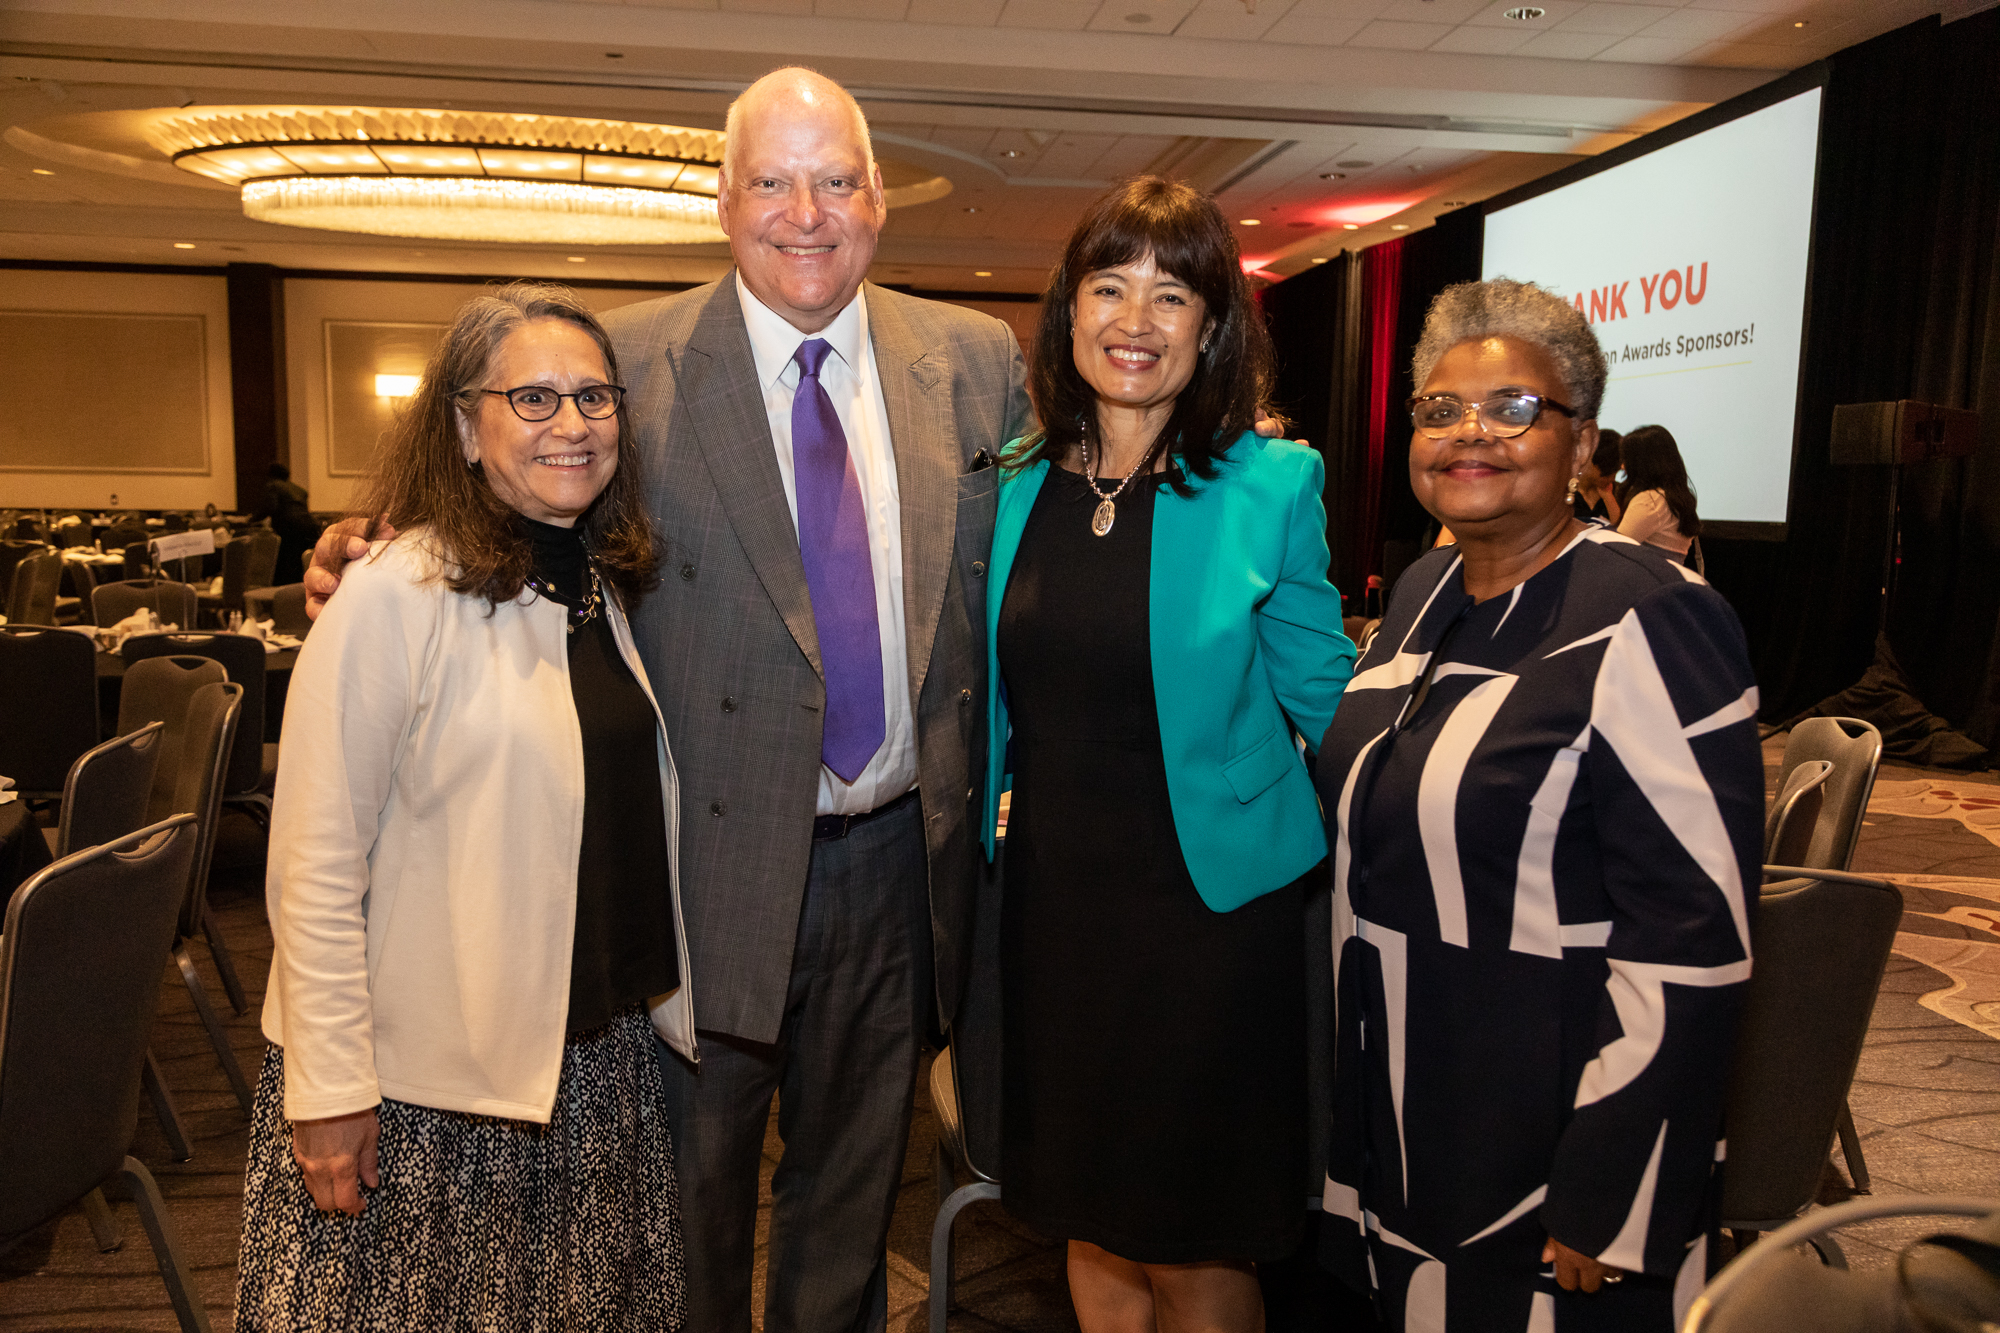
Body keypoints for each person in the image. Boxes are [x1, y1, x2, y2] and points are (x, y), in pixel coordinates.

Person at [307, 68, 1032, 1332]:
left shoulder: (972, 362)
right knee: (676, 1221)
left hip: (896, 879)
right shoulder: (626, 364)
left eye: (834, 179)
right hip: (691, 875)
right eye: (771, 180)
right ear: (720, 198)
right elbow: (515, 497)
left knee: (849, 1215)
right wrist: (374, 546)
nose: (804, 212)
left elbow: (1057, 549)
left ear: (878, 199)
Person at [237, 283, 695, 1330]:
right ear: (463, 425)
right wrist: (329, 1084)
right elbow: (312, 864)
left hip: (586, 1075)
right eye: (530, 398)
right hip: (418, 1094)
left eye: (592, 396)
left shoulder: (595, 589)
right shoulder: (393, 594)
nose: (569, 424)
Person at [1314, 278, 1762, 1332]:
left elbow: (1693, 934)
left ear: (1581, 443)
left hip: (1546, 1138)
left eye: (1514, 408)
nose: (1469, 432)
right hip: (1407, 1107)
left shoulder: (1650, 617)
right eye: (1438, 409)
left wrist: (1608, 1188)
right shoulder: (1424, 591)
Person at [982, 177, 1355, 1331]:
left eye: (1170, 292)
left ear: (1210, 326)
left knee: (1194, 1236)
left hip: (1209, 917)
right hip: (1052, 903)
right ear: (1069, 310)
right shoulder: (1013, 479)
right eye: (1108, 286)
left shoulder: (1267, 482)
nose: (1135, 319)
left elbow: (1325, 696)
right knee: (1086, 1214)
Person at [1617, 423, 1702, 565]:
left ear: (1642, 463)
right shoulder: (1674, 498)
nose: (1622, 466)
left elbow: (1617, 549)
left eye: (1627, 459)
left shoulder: (1650, 500)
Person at [250, 462, 323, 581]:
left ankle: (283, 590)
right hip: (310, 526)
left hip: (289, 527)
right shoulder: (300, 490)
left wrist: (252, 519)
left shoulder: (273, 486)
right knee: (300, 562)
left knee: (285, 561)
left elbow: (270, 507)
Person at [1573, 426, 1621, 525]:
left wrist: (1609, 499)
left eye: (1615, 473)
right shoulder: (1567, 490)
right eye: (1605, 474)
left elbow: (1623, 532)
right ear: (1589, 459)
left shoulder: (1618, 492)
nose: (1611, 479)